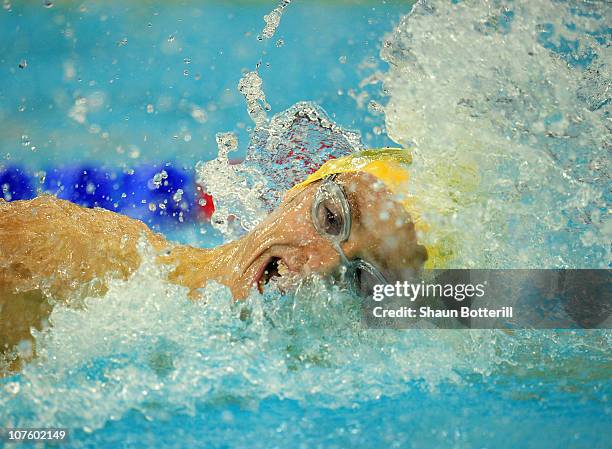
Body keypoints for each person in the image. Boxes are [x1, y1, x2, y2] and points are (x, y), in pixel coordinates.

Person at [0, 148, 429, 373]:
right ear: (295, 190)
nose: (322, 267)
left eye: (362, 280)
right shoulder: (80, 257)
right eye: (331, 217)